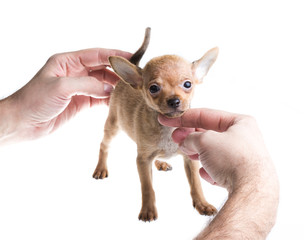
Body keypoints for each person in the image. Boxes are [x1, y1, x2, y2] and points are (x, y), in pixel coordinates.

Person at [0, 49, 279, 239]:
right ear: (137, 83)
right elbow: (141, 158)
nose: (174, 97)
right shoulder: (133, 99)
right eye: (155, 88)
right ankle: (102, 156)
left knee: (187, 154)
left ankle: (197, 198)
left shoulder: (193, 121)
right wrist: (148, 200)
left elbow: (191, 157)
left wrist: (200, 197)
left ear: (199, 76)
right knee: (113, 134)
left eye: (185, 85)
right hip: (136, 121)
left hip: (170, 136)